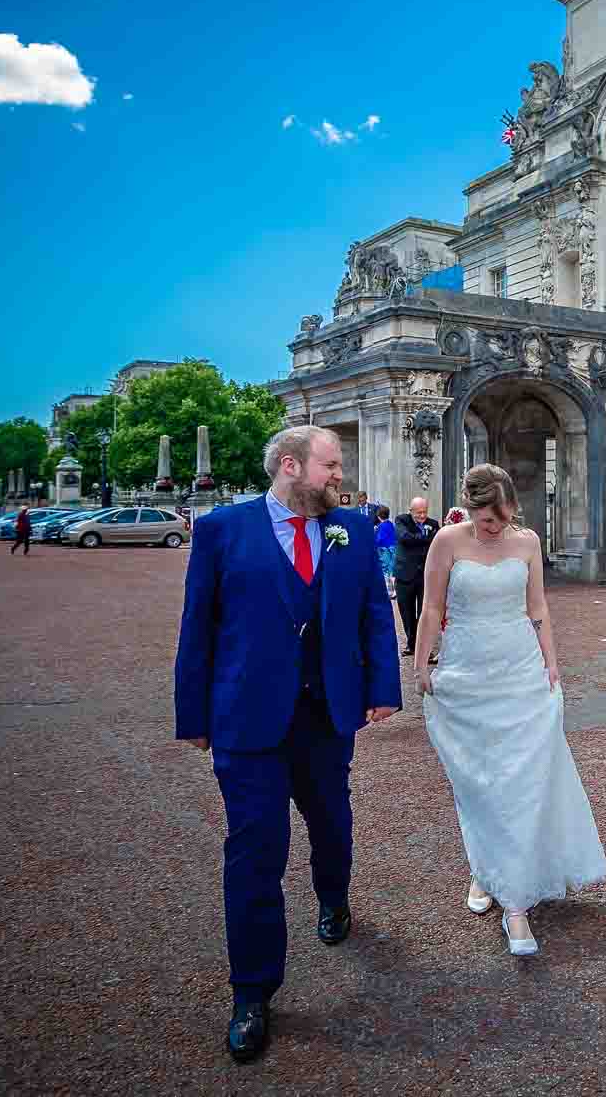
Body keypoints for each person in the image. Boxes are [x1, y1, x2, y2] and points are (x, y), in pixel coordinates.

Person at [172, 425, 401, 1063]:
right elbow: (199, 625)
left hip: (327, 713)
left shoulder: (350, 529)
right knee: (253, 850)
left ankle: (333, 896)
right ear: (292, 467)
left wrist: (384, 689)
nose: (340, 476)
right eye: (331, 465)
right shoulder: (222, 530)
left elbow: (373, 617)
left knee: (331, 821)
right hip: (246, 717)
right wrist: (193, 713)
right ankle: (252, 992)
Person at [414, 463, 606, 957]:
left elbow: (537, 607)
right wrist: (421, 665)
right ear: (470, 508)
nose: (493, 528)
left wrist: (552, 666)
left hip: (521, 671)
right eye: (485, 520)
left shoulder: (527, 543)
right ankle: (485, 869)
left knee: (522, 782)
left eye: (500, 519)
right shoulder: (447, 542)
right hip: (469, 671)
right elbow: (432, 608)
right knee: (478, 782)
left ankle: (517, 905)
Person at [393, 497, 442, 658]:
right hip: (404, 574)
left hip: (425, 575)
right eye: (419, 512)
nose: (422, 516)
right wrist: (425, 539)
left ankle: (425, 648)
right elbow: (404, 538)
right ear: (411, 511)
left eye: (425, 512)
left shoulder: (433, 524)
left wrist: (421, 540)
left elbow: (437, 543)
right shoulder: (401, 520)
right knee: (406, 612)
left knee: (424, 612)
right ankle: (411, 643)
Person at [373, 506, 396, 593]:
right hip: (393, 549)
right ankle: (395, 591)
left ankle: (389, 591)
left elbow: (379, 539)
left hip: (384, 550)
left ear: (378, 516)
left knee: (385, 570)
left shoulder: (380, 526)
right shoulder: (391, 524)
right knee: (392, 570)